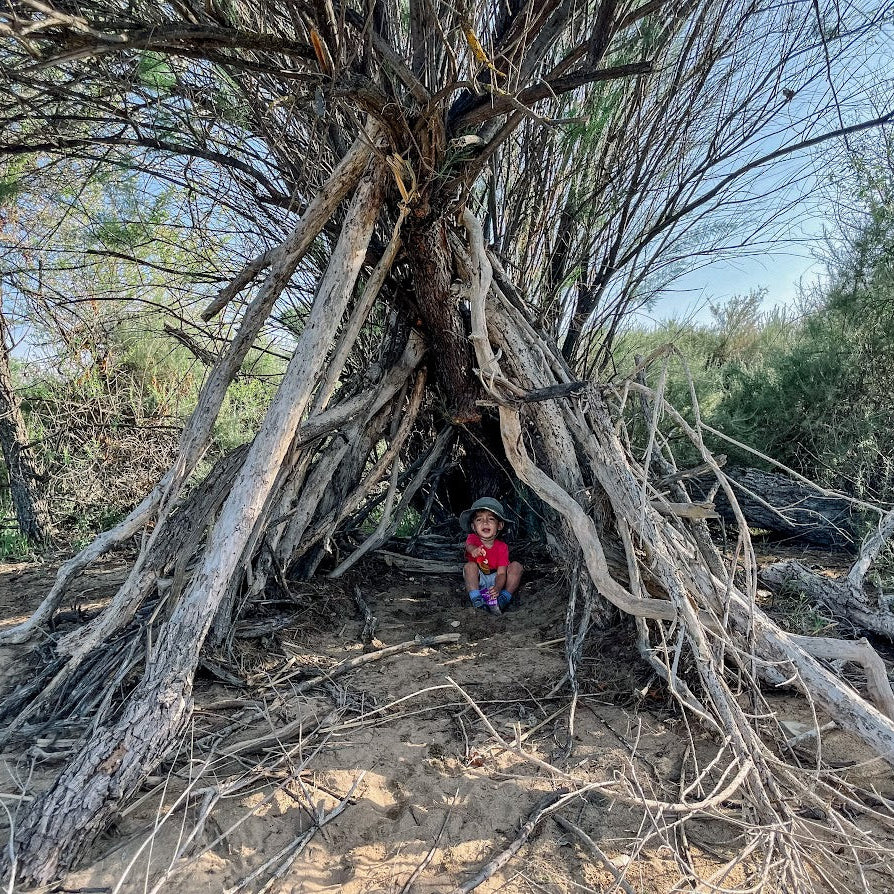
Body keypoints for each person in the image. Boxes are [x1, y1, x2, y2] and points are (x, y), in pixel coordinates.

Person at [460, 497, 523, 615]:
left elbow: (501, 573)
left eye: (491, 519)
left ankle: (504, 598)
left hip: (497, 578)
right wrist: (474, 550)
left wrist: (498, 588)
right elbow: (469, 546)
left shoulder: (502, 547)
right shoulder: (472, 539)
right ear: (473, 527)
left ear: (499, 525)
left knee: (517, 567)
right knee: (469, 567)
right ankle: (477, 600)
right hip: (480, 578)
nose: (485, 522)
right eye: (479, 519)